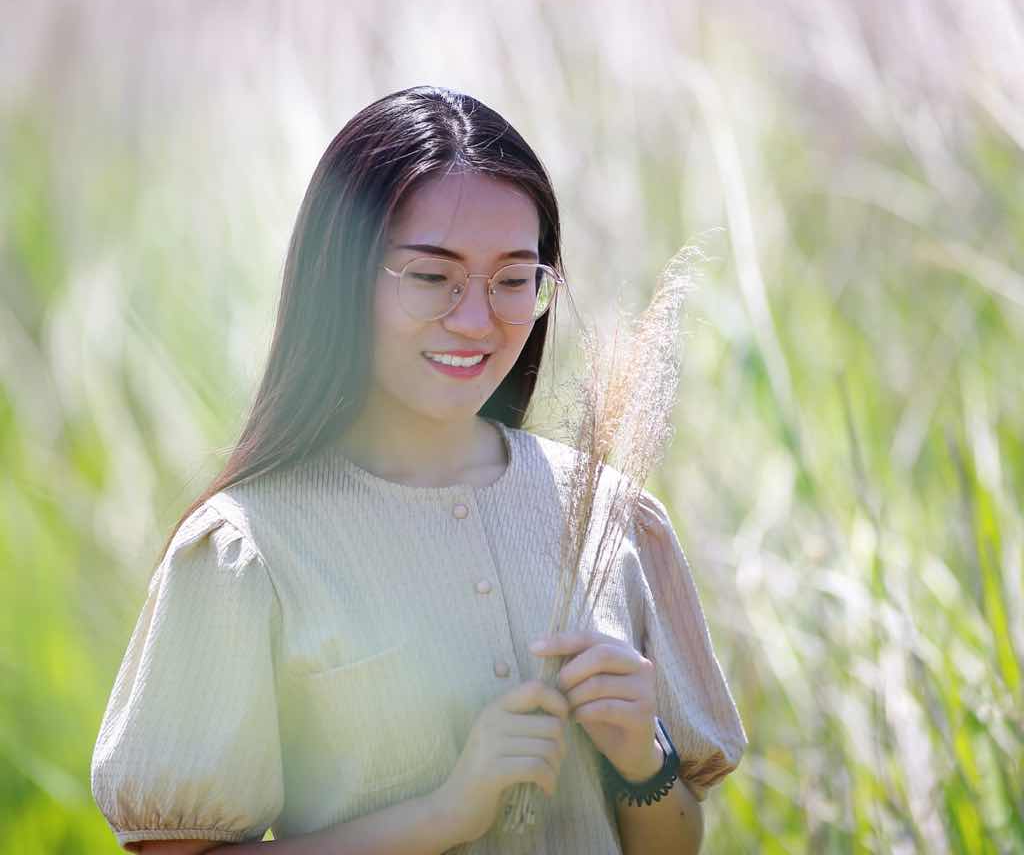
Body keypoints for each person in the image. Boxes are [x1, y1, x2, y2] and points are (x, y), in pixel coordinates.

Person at [90, 85, 747, 855]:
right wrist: (442, 815)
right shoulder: (250, 550)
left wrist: (646, 761)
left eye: (512, 279)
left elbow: (672, 845)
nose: (476, 320)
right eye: (432, 277)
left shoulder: (610, 516)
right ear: (343, 278)